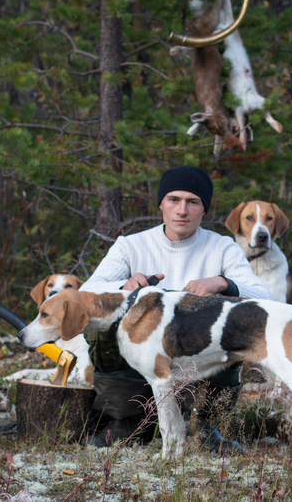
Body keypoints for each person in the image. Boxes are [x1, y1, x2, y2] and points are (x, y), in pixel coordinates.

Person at [80, 165, 272, 452]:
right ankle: (128, 420)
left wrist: (223, 283)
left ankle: (205, 425)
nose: (182, 210)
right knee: (102, 329)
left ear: (204, 209)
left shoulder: (223, 247)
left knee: (236, 322)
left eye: (193, 202)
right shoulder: (130, 246)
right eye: (174, 200)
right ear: (161, 204)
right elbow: (86, 294)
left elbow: (265, 298)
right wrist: (124, 286)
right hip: (141, 362)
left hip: (200, 358)